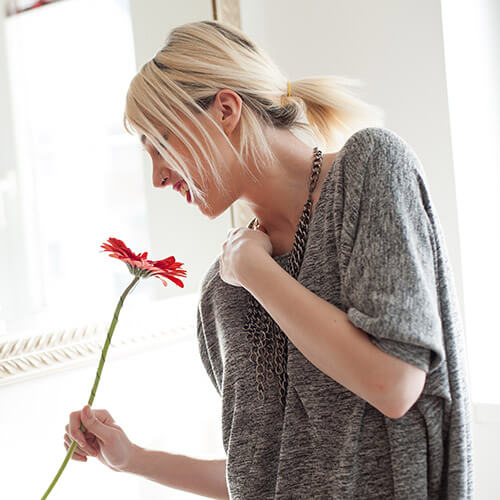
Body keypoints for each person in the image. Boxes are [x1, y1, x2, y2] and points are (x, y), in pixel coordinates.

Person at [63, 20, 474, 499]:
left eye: (163, 142)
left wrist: (256, 272)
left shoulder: (367, 171)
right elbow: (258, 474)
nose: (156, 177)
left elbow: (395, 384)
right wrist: (132, 458)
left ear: (225, 110)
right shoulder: (223, 293)